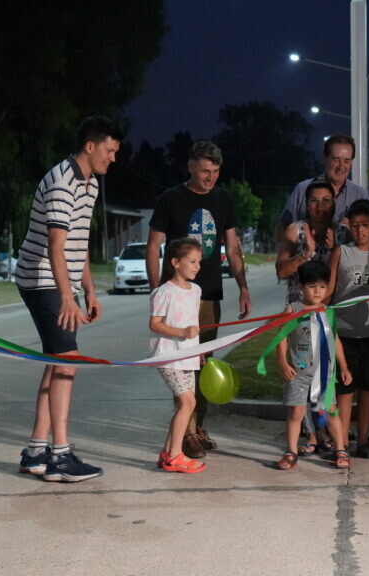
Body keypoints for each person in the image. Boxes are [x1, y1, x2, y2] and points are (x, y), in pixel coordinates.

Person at [15, 116, 122, 482]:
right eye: (109, 150)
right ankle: (59, 456)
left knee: (56, 361)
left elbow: (79, 241)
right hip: (41, 278)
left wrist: (89, 289)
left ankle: (34, 452)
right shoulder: (63, 181)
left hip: (58, 279)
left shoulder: (89, 183)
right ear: (90, 147)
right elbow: (55, 245)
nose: (113, 158)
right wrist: (66, 297)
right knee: (68, 361)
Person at [146, 140, 252, 459]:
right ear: (190, 166)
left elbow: (232, 248)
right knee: (183, 365)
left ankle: (198, 426)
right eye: (204, 171)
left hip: (208, 296)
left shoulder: (224, 200)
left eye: (216, 172)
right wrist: (156, 289)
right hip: (177, 297)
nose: (210, 178)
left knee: (203, 364)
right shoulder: (170, 199)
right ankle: (188, 433)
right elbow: (153, 245)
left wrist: (243, 287)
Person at [275, 260, 353, 471]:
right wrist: (282, 362)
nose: (317, 291)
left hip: (324, 373)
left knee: (329, 412)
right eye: (312, 286)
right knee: (296, 413)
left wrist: (343, 367)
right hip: (298, 373)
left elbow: (335, 340)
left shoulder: (328, 312)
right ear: (301, 287)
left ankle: (340, 448)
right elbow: (281, 338)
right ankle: (291, 451)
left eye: (322, 286)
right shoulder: (293, 309)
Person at [330, 199, 369, 459]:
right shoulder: (340, 253)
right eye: (355, 226)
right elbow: (330, 289)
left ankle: (363, 440)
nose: (360, 231)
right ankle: (341, 444)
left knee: (368, 390)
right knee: (345, 391)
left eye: (365, 225)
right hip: (342, 334)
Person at [149, 238, 207, 474]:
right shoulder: (163, 292)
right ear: (175, 262)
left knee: (187, 404)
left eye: (199, 262)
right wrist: (181, 333)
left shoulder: (196, 291)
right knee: (188, 402)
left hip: (188, 356)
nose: (197, 266)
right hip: (168, 355)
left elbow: (193, 323)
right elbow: (155, 324)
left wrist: (198, 349)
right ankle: (175, 455)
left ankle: (167, 453)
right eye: (192, 261)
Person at [280, 134, 369, 244]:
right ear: (325, 158)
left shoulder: (361, 195)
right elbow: (283, 226)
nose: (341, 166)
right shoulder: (302, 189)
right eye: (336, 159)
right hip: (304, 259)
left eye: (346, 161)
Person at [276, 179, 338, 305]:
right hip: (299, 309)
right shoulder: (296, 230)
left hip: (331, 309)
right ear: (306, 203)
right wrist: (306, 254)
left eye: (326, 200)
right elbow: (281, 272)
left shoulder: (342, 233)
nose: (320, 206)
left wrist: (336, 249)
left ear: (334, 203)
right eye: (314, 200)